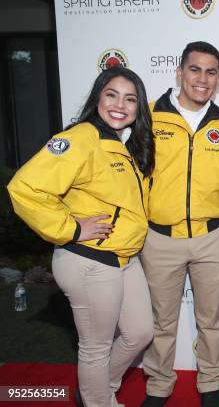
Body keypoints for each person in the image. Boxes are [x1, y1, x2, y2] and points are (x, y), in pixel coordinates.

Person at [8, 66, 155, 407]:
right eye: (111, 95)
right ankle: (98, 400)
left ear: (139, 107)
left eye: (130, 99)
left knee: (140, 332)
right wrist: (72, 228)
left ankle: (99, 391)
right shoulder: (81, 138)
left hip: (122, 258)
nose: (120, 105)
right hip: (89, 259)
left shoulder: (123, 143)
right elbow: (24, 188)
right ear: (98, 98)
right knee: (96, 346)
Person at [141, 41, 219, 407]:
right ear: (180, 71)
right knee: (160, 322)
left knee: (211, 321)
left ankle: (210, 384)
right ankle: (157, 386)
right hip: (159, 239)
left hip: (212, 238)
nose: (203, 79)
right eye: (195, 69)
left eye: (211, 71)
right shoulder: (149, 116)